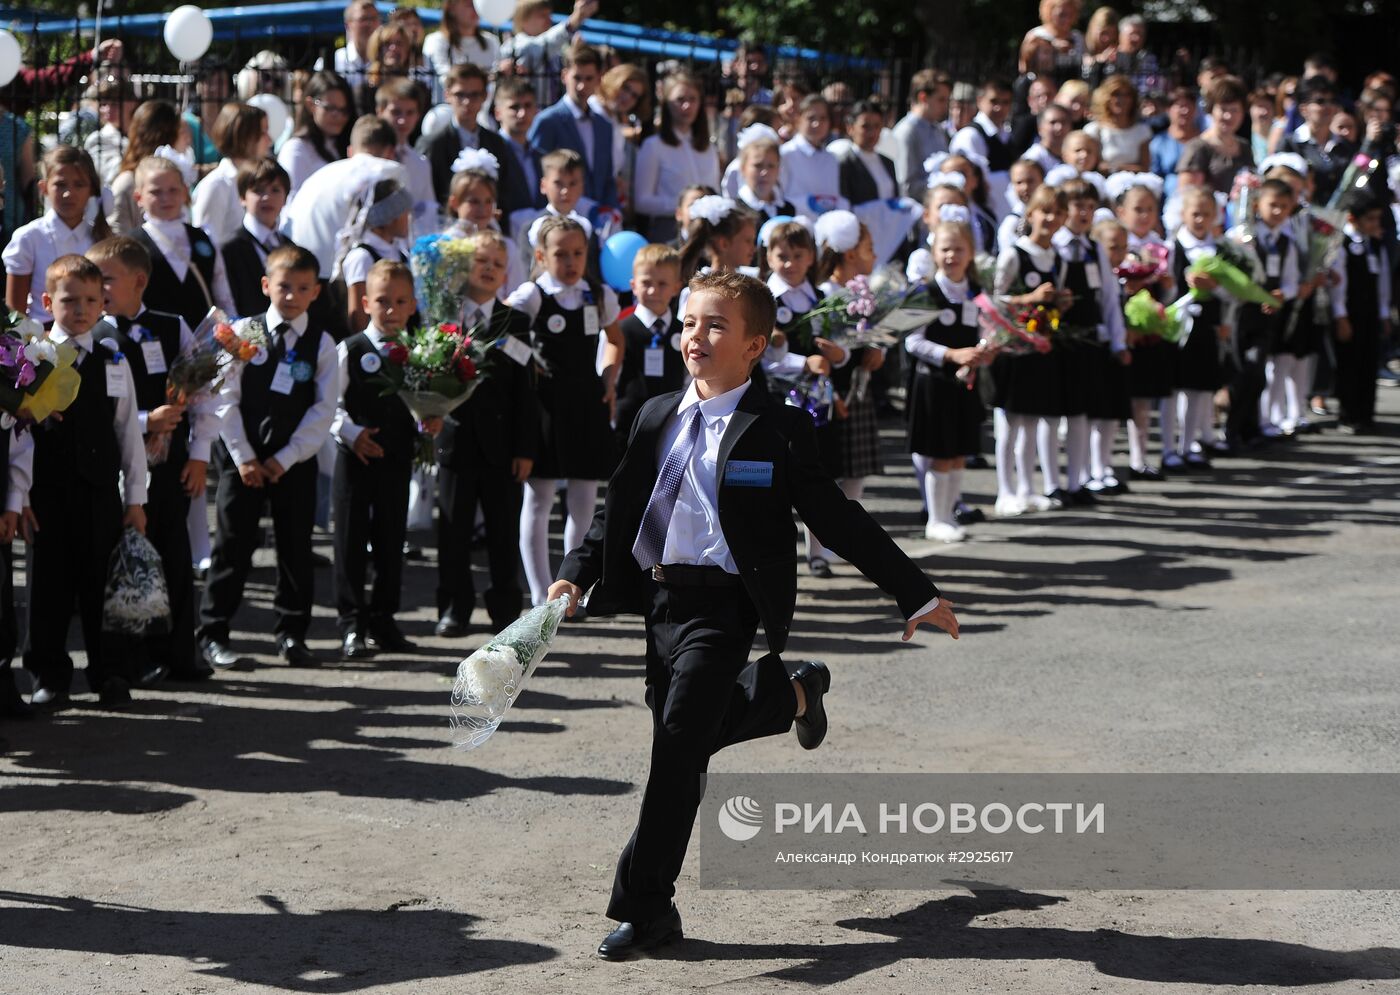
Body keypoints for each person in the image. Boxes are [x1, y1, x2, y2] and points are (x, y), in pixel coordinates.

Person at [545, 268, 959, 960]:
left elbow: (838, 518)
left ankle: (646, 907)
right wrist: (572, 575)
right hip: (661, 603)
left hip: (726, 607)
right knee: (691, 740)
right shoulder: (653, 414)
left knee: (677, 745)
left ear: (755, 346)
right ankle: (795, 690)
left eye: (714, 325)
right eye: (687, 324)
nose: (694, 337)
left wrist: (915, 591)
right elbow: (619, 513)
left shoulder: (778, 427)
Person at [197, 246, 339, 669]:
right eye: (283, 287)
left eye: (301, 288)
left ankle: (292, 633)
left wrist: (286, 457)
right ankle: (214, 631)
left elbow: (323, 409)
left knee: (295, 549)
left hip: (292, 464)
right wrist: (243, 456)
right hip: (243, 463)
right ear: (266, 286)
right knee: (231, 546)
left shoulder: (323, 342)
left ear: (315, 292)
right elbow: (225, 397)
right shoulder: (244, 332)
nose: (291, 296)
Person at [89, 236, 218, 682]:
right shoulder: (96, 335)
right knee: (125, 561)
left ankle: (180, 652)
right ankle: (131, 659)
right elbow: (98, 411)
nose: (97, 288)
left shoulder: (172, 325)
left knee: (174, 558)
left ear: (138, 281)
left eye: (105, 279)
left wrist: (199, 455)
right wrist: (147, 420)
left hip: (169, 467)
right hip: (121, 471)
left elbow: (203, 394)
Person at [22, 254, 148, 709]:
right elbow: (19, 432)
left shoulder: (114, 358)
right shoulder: (32, 358)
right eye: (69, 299)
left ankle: (109, 672)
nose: (80, 309)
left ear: (103, 304)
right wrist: (18, 496)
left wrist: (136, 498)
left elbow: (127, 431)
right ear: (46, 301)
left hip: (99, 494)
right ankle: (49, 674)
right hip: (47, 493)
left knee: (101, 584)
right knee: (48, 587)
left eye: (91, 300)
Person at [506, 216, 623, 608]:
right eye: (561, 254)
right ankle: (541, 592)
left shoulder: (598, 293)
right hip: (546, 407)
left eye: (578, 253)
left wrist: (608, 378)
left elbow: (615, 340)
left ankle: (572, 588)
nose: (571, 262)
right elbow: (497, 326)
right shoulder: (533, 294)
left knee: (584, 501)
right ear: (541, 256)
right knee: (538, 499)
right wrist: (528, 362)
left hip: (587, 404)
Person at [331, 259, 439, 657]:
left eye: (400, 301)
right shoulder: (351, 349)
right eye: (382, 301)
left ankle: (384, 619)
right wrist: (352, 433)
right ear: (365, 302)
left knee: (391, 541)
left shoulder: (418, 352)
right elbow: (330, 406)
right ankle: (351, 624)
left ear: (413, 305)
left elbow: (425, 402)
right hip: (355, 461)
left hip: (396, 460)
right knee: (351, 541)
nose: (391, 310)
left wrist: (432, 421)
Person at [433, 230, 538, 636]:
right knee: (453, 531)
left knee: (501, 532)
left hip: (502, 445)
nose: (490, 269)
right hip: (455, 443)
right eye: (482, 261)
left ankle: (505, 609)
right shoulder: (443, 316)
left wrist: (525, 448)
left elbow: (526, 392)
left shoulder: (516, 321)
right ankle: (454, 607)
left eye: (498, 263)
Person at [904, 208, 990, 541]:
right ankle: (936, 518)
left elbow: (983, 331)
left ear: (971, 252)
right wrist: (952, 355)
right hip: (934, 384)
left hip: (963, 384)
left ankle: (951, 512)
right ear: (934, 253)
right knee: (940, 453)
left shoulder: (974, 292)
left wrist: (985, 350)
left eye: (958, 249)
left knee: (958, 453)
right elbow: (913, 342)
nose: (951, 255)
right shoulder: (925, 292)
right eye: (944, 249)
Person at [991, 184, 1070, 515]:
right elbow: (993, 299)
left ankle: (1027, 487)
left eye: (1057, 213)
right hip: (1012, 350)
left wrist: (1060, 304)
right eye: (1044, 211)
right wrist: (1029, 299)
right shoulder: (1014, 253)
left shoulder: (1058, 258)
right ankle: (1004, 491)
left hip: (1039, 348)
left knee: (1032, 423)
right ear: (1031, 214)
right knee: (1009, 425)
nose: (1050, 219)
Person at [1053, 177, 1126, 500]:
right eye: (1077, 206)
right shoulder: (1055, 246)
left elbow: (1109, 299)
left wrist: (1117, 340)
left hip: (1089, 339)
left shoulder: (1094, 248)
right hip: (1058, 340)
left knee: (1083, 412)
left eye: (1090, 207)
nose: (1084, 213)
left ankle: (1079, 479)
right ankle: (1054, 481)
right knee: (1057, 414)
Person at [284, 115, 408, 288]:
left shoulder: (324, 173)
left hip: (297, 272)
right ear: (390, 153)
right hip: (340, 281)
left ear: (351, 150)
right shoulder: (384, 171)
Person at [1224, 177, 1296, 450]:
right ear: (1257, 205)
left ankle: (1248, 427)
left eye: (1284, 206)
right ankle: (1235, 428)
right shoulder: (1243, 237)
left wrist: (1281, 295)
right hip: (1239, 313)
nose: (1278, 211)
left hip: (1266, 317)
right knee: (1242, 372)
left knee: (1256, 371)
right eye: (1273, 205)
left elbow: (1290, 281)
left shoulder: (1285, 242)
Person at [5, 146, 112, 325]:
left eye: (79, 184)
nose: (68, 193)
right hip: (42, 343)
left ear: (92, 189)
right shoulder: (28, 238)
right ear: (44, 187)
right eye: (60, 184)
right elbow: (16, 314)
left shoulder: (102, 239)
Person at [1163, 185, 1228, 469]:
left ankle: (1193, 443)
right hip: (1180, 328)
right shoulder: (1172, 248)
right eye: (1195, 214)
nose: (1200, 220)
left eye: (1206, 214)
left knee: (1202, 388)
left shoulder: (1220, 249)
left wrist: (1216, 289)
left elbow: (1231, 291)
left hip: (1207, 326)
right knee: (1181, 388)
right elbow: (1166, 291)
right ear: (1183, 214)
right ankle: (1175, 446)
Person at [132, 155, 237, 329]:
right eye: (156, 192)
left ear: (184, 191)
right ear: (139, 197)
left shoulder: (203, 237)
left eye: (173, 190)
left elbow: (223, 295)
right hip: (156, 342)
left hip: (204, 345)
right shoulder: (131, 245)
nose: (166, 198)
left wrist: (232, 329)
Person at [419, 63, 527, 215]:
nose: (467, 102)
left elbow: (504, 192)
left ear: (485, 96)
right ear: (447, 95)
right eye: (460, 95)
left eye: (474, 95)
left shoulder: (496, 143)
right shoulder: (433, 144)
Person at [528, 43, 619, 211]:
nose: (581, 86)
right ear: (564, 76)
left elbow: (607, 177)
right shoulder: (547, 121)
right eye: (577, 78)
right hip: (559, 219)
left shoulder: (604, 125)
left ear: (599, 79)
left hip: (597, 219)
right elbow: (537, 173)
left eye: (589, 78)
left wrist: (612, 211)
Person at [632, 73, 720, 243]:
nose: (687, 106)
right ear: (667, 104)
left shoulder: (708, 149)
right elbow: (641, 201)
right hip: (670, 232)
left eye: (693, 99)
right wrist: (685, 206)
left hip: (707, 233)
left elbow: (714, 189)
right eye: (680, 99)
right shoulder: (653, 146)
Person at [615, 244, 686, 441]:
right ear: (633, 286)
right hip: (627, 425)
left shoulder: (684, 331)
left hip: (673, 423)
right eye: (646, 283)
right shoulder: (620, 330)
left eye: (662, 283)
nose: (654, 290)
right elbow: (609, 377)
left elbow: (691, 377)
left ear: (676, 287)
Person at [1332, 189, 1389, 433]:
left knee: (1368, 362)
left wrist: (1384, 313)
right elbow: (1339, 284)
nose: (1375, 224)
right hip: (1350, 312)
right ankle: (1349, 413)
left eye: (1378, 219)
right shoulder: (1341, 245)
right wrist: (1340, 315)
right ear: (1353, 219)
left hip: (1371, 311)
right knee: (1350, 363)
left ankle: (1366, 413)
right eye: (1370, 219)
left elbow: (1383, 280)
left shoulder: (1375, 244)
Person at [222, 158, 297, 317]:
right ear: (242, 198)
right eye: (258, 190)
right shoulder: (229, 248)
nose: (267, 197)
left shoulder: (291, 247)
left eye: (275, 190)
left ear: (285, 198)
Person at [445, 156, 529, 296]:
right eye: (474, 202)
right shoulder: (447, 243)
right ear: (454, 203)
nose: (482, 209)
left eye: (488, 201)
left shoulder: (506, 246)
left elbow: (516, 289)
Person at [338, 179, 413, 334]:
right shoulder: (362, 256)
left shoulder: (399, 251)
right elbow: (358, 317)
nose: (409, 218)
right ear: (390, 216)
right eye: (404, 212)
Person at [500, 0, 599, 109]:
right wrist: (575, 19)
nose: (549, 20)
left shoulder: (554, 49)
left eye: (549, 15)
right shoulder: (514, 46)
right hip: (526, 115)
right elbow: (541, 45)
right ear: (524, 19)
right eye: (542, 15)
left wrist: (575, 53)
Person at [107, 99, 184, 236]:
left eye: (172, 191)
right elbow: (117, 240)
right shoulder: (127, 183)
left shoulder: (178, 176)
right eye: (155, 192)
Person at [279, 72, 355, 202]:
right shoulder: (296, 149)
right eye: (330, 108)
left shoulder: (345, 145)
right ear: (310, 104)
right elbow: (292, 201)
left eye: (343, 110)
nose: (338, 116)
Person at [1281, 77, 1355, 204]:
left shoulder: (1345, 145)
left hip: (1340, 218)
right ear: (1303, 109)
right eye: (1320, 101)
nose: (1328, 106)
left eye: (1332, 101)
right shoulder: (1290, 144)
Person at [950, 79, 1015, 219]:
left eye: (1005, 102)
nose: (999, 108)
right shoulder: (969, 136)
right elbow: (975, 183)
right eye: (994, 101)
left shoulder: (1007, 134)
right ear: (980, 101)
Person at [1177, 76, 1253, 195]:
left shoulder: (1245, 147)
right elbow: (1186, 196)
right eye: (1223, 109)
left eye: (1234, 110)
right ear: (1212, 110)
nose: (1228, 116)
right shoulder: (1198, 147)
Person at [779, 95, 848, 220]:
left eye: (823, 118)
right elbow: (779, 198)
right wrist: (808, 204)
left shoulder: (831, 158)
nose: (817, 124)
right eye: (811, 118)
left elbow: (834, 198)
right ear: (798, 119)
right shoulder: (786, 154)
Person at [890, 69, 951, 203]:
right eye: (941, 100)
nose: (946, 106)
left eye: (947, 100)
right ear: (923, 97)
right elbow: (906, 186)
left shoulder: (938, 129)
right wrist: (946, 187)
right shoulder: (906, 132)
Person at [422, 0, 503, 87]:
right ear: (451, 8)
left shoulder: (491, 41)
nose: (475, 9)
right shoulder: (436, 40)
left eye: (477, 5)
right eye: (469, 4)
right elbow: (445, 79)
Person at [494, 79, 545, 211]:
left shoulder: (541, 157)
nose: (522, 113)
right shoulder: (491, 154)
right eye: (514, 107)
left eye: (528, 106)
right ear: (498, 113)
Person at [836, 100, 898, 207]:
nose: (872, 133)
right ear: (850, 128)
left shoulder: (888, 162)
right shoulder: (843, 163)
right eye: (865, 126)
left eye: (877, 126)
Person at [1084, 75, 1151, 173]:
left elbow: (1145, 167)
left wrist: (1116, 168)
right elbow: (1093, 165)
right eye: (1116, 94)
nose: (1122, 100)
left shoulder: (1142, 131)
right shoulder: (1093, 130)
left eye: (1127, 95)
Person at [316, 0, 381, 91]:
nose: (369, 24)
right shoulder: (334, 60)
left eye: (373, 18)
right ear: (348, 25)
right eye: (363, 19)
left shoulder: (386, 59)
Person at [1149, 87, 1199, 200]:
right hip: (1168, 200)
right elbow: (1154, 176)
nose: (1185, 111)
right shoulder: (1158, 142)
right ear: (1168, 110)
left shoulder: (1204, 140)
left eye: (1189, 106)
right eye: (1180, 106)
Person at [734, 136, 795, 220]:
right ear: (743, 169)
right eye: (758, 165)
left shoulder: (788, 209)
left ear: (778, 170)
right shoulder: (736, 212)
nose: (765, 172)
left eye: (771, 166)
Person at [1021, 104, 1071, 175]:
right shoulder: (1032, 159)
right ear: (1040, 128)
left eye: (1064, 122)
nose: (1059, 127)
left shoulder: (1074, 155)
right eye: (1053, 122)